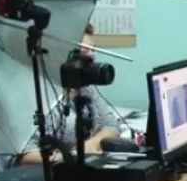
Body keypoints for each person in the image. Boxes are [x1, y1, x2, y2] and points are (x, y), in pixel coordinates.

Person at [19, 22, 120, 164]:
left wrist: (91, 144)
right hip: (47, 171)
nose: (92, 57)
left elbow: (111, 125)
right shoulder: (41, 94)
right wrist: (70, 157)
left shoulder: (85, 87)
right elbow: (26, 154)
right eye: (85, 51)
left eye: (93, 50)